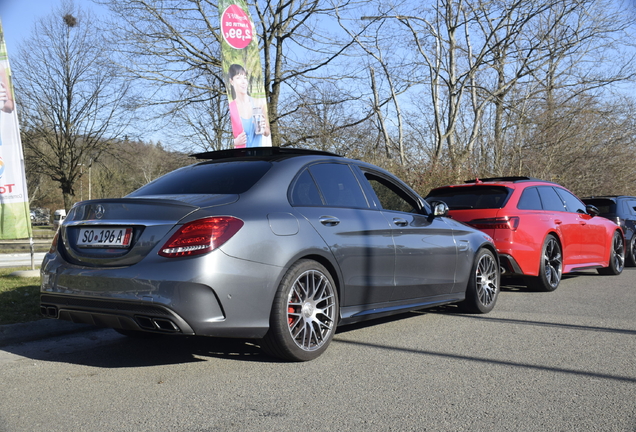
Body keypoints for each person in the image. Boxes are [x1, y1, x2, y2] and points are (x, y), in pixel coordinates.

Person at [227, 64, 270, 148]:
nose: (243, 81)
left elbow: (267, 132)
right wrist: (234, 142)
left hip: (258, 156)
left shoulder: (258, 103)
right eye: (238, 78)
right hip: (241, 158)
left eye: (245, 77)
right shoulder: (231, 107)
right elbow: (221, 137)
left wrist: (264, 128)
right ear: (231, 81)